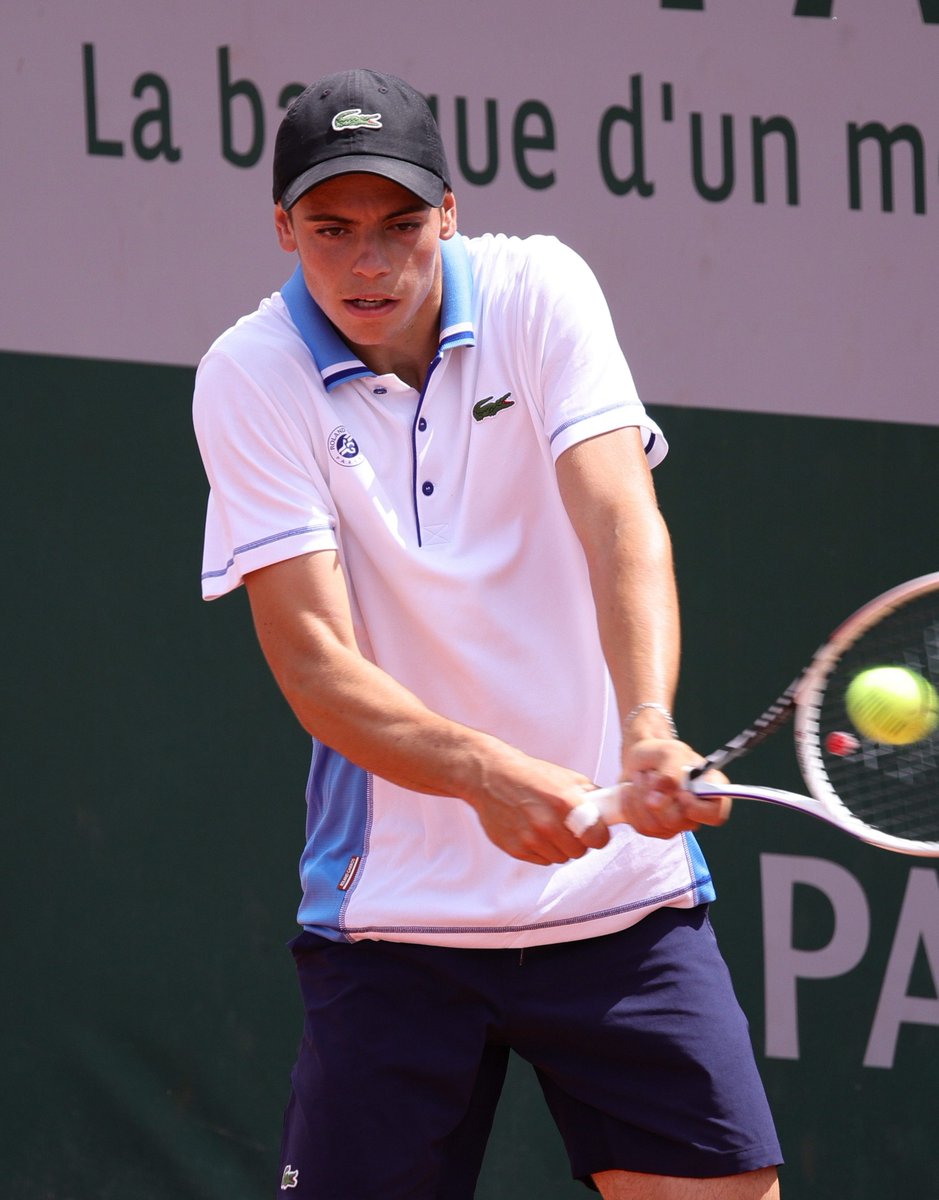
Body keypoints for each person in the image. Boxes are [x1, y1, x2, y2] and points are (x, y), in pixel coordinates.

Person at [193, 67, 781, 1200]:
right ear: (283, 230)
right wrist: (483, 775)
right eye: (333, 229)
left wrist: (648, 725)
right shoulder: (249, 376)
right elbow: (316, 663)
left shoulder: (539, 289)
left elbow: (619, 515)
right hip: (396, 921)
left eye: (402, 225)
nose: (371, 262)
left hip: (621, 904)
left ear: (449, 213)